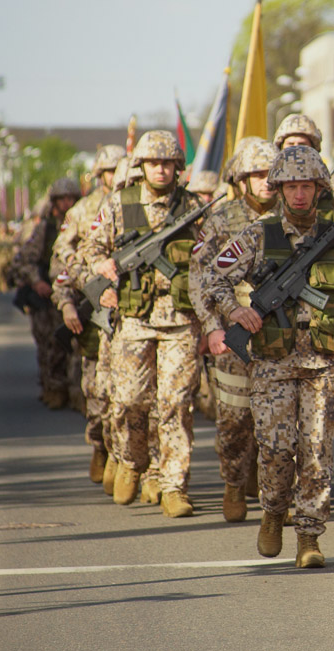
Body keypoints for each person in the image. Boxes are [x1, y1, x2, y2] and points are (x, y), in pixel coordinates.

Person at [202, 145, 334, 568]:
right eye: (291, 187)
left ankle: (308, 536)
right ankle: (273, 510)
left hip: (323, 362)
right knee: (277, 449)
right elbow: (214, 278)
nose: (299, 195)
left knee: (317, 450)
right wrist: (235, 310)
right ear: (278, 189)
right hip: (272, 363)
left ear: (319, 190)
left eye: (307, 186)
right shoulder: (258, 236)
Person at [81, 130, 204, 518]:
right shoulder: (121, 204)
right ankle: (132, 460)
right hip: (134, 318)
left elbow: (214, 258)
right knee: (131, 401)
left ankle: (173, 485)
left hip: (181, 320)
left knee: (176, 406)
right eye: (154, 163)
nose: (162, 170)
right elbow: (91, 247)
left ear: (178, 167)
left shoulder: (194, 207)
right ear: (142, 167)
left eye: (168, 163)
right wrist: (101, 270)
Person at [189, 139, 279, 522]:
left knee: (279, 421)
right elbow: (199, 277)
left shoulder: (292, 218)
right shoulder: (221, 220)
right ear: (240, 179)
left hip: (281, 337)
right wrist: (212, 328)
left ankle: (277, 495)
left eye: (270, 175)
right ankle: (233, 482)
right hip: (233, 334)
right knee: (234, 421)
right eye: (257, 175)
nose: (265, 183)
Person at [51, 144, 124, 483]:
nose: (115, 176)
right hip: (92, 304)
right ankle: (101, 446)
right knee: (97, 394)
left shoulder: (136, 204)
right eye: (109, 170)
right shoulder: (83, 211)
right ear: (99, 174)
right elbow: (64, 256)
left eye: (119, 168)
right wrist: (69, 299)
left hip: (132, 308)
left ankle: (136, 465)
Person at [9, 177, 81, 409]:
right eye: (63, 199)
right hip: (46, 298)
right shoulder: (45, 228)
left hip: (75, 294)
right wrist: (37, 281)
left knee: (75, 346)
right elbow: (22, 261)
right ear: (55, 201)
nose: (68, 203)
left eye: (71, 198)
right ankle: (54, 387)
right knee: (50, 345)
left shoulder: (82, 223)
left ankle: (74, 390)